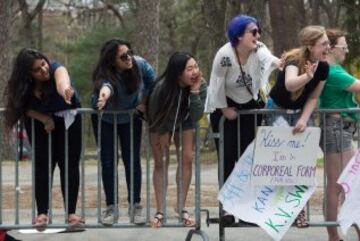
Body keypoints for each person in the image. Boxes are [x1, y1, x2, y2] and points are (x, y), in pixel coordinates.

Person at [204, 14, 283, 225]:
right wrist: (223, 108)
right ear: (239, 35)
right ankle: (228, 210)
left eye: (258, 31)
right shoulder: (224, 55)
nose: (258, 35)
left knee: (248, 158)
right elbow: (215, 84)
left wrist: (279, 62)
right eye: (253, 32)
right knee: (227, 158)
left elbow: (269, 58)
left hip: (249, 104)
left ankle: (248, 211)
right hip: (225, 105)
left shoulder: (258, 48)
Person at [4, 48, 84, 229]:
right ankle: (42, 213)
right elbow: (21, 107)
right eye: (37, 70)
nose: (44, 69)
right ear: (28, 74)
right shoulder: (23, 87)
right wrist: (44, 119)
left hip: (68, 121)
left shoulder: (56, 69)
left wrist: (66, 90)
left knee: (69, 164)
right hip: (40, 124)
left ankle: (71, 213)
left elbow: (62, 81)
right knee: (42, 165)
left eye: (43, 63)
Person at [269, 25, 330, 227]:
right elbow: (290, 84)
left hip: (300, 112)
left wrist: (304, 119)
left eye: (328, 43)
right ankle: (277, 211)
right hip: (277, 111)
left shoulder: (323, 67)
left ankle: (299, 211)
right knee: (282, 164)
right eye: (323, 44)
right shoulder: (295, 60)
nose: (327, 47)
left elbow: (313, 97)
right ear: (310, 46)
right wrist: (308, 76)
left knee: (302, 164)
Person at [91, 38, 155, 225]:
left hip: (130, 116)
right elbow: (106, 87)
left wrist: (144, 102)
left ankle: (135, 205)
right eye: (123, 56)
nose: (129, 58)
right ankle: (111, 207)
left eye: (130, 53)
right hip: (105, 118)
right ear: (112, 61)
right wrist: (104, 95)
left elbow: (154, 82)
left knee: (132, 159)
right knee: (108, 161)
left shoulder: (140, 65)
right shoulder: (103, 74)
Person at [147, 52, 207, 228]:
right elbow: (153, 113)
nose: (195, 71)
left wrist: (195, 92)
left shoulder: (200, 84)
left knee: (187, 158)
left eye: (196, 66)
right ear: (178, 73)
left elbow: (197, 115)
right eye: (190, 69)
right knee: (161, 161)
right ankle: (160, 210)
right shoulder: (161, 88)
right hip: (160, 121)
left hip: (186, 119)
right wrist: (164, 131)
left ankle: (180, 207)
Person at [319, 28, 360, 241]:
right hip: (335, 129)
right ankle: (333, 236)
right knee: (336, 185)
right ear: (333, 48)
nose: (346, 50)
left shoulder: (335, 70)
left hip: (342, 130)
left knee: (351, 184)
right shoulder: (332, 72)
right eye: (343, 46)